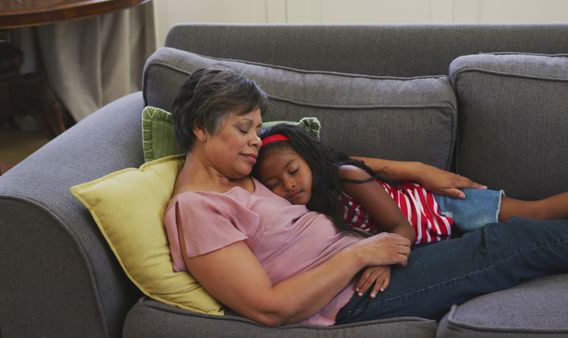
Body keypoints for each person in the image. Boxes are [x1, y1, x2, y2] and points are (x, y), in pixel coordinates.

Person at [163, 66, 568, 327]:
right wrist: (360, 254)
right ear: (201, 128)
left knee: (503, 235)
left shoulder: (239, 173)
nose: (256, 141)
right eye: (245, 128)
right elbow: (270, 308)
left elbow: (324, 163)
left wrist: (414, 170)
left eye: (257, 129)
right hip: (356, 296)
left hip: (375, 262)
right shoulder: (198, 209)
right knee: (506, 243)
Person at [252, 123, 568, 299]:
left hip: (443, 206)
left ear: (309, 160)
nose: (288, 185)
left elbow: (402, 227)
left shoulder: (345, 176)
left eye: (293, 170)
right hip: (439, 240)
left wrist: (385, 260)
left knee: (536, 213)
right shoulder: (300, 210)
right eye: (274, 184)